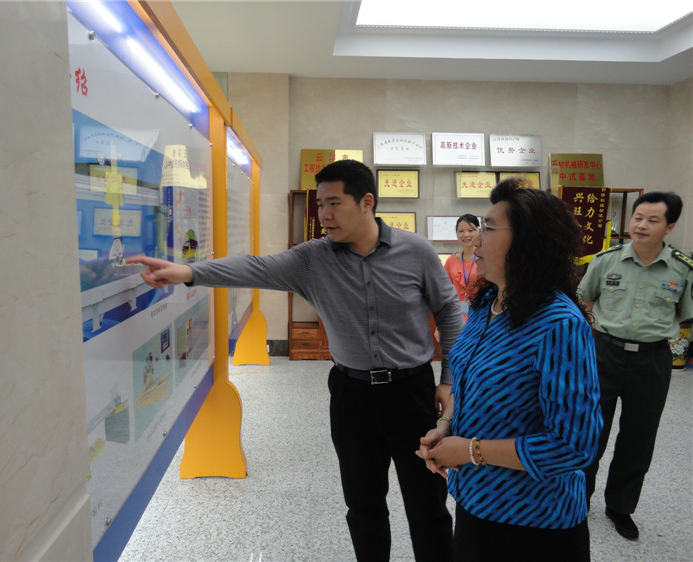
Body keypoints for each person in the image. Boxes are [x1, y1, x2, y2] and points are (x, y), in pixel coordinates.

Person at [127, 159, 464, 561]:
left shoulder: (416, 251)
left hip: (412, 392)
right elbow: (254, 267)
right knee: (363, 505)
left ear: (366, 202)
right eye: (320, 204)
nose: (323, 215)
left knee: (427, 505)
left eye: (334, 203)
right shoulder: (312, 259)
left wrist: (449, 380)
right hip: (352, 395)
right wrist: (186, 272)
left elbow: (449, 310)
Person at [416, 179, 602, 561]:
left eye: (487, 228)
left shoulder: (558, 324)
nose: (475, 240)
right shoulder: (488, 302)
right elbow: (468, 381)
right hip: (476, 499)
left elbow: (574, 445)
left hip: (533, 518)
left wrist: (469, 450)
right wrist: (446, 426)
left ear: (527, 241)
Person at [578, 191, 693, 540]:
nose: (641, 225)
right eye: (637, 218)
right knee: (590, 431)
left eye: (652, 220)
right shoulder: (606, 260)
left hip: (652, 360)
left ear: (669, 227)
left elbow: (683, 314)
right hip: (603, 354)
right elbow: (585, 300)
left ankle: (620, 506)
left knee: (639, 437)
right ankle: (578, 500)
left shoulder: (683, 268)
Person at [444, 214, 481, 317]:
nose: (466, 235)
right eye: (461, 231)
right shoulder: (451, 260)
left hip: (480, 315)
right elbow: (444, 292)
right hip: (456, 316)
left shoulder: (486, 259)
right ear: (456, 233)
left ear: (478, 231)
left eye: (471, 230)